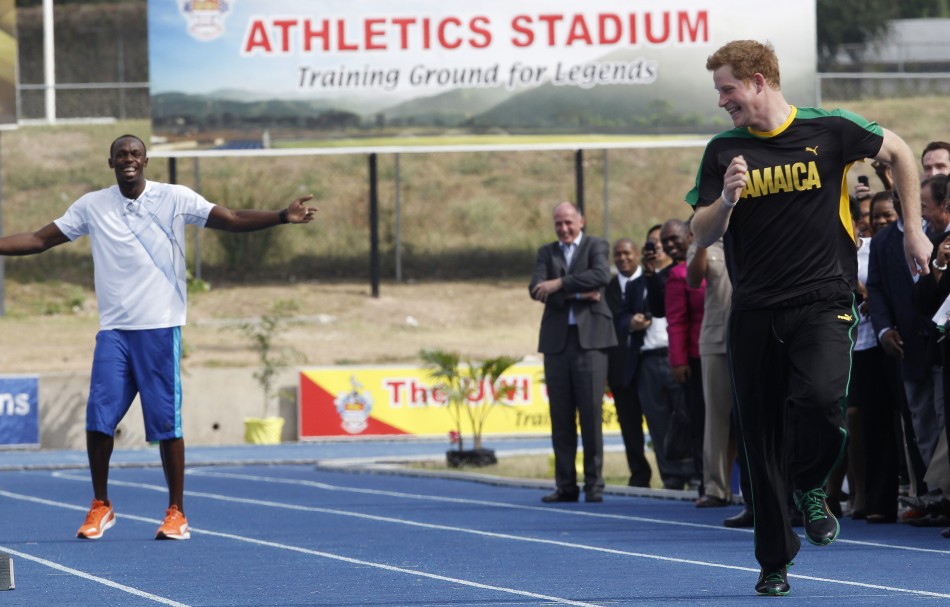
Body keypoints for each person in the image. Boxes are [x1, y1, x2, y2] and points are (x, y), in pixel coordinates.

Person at [686, 40, 931, 596]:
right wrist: (725, 200)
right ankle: (774, 560)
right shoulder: (724, 150)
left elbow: (900, 153)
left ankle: (811, 484)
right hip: (754, 309)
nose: (722, 100)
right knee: (761, 436)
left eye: (727, 88)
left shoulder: (831, 129)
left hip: (823, 299)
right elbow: (697, 234)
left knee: (822, 400)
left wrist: (913, 227)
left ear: (757, 82)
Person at [0, 134, 318, 541]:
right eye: (121, 155)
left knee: (166, 424)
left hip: (159, 327)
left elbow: (232, 217)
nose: (128, 160)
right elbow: (39, 240)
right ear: (110, 162)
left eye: (135, 154)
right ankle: (101, 505)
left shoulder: (174, 198)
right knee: (99, 420)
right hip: (114, 331)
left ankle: (176, 512)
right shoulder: (92, 206)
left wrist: (280, 215)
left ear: (146, 160)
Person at [530, 202, 616, 503]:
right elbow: (535, 289)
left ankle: (595, 485)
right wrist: (580, 293)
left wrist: (559, 285)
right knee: (561, 418)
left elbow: (601, 277)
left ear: (581, 220)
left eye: (568, 222)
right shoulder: (546, 252)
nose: (564, 229)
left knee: (591, 416)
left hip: (591, 343)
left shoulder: (596, 245)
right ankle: (565, 485)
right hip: (557, 344)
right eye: (558, 224)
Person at [618, 226, 696, 491]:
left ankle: (696, 472)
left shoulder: (682, 274)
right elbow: (621, 317)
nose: (656, 248)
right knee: (658, 422)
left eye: (659, 244)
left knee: (688, 416)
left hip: (677, 356)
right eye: (650, 244)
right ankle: (671, 476)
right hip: (646, 360)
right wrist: (631, 321)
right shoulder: (635, 284)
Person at [662, 218, 709, 500]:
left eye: (675, 238)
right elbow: (676, 321)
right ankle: (706, 480)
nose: (670, 244)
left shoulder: (726, 261)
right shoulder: (679, 275)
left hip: (731, 352)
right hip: (696, 359)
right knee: (702, 423)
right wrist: (678, 361)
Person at [605, 238, 652, 488]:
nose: (623, 258)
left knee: (660, 421)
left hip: (650, 365)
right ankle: (639, 475)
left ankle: (675, 475)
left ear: (637, 255)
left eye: (627, 253)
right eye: (618, 254)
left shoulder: (650, 281)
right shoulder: (607, 288)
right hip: (620, 369)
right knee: (629, 426)